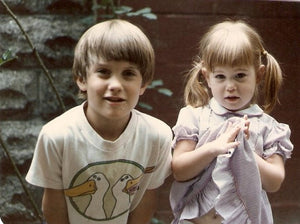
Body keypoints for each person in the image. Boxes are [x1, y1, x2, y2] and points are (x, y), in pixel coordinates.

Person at [26, 19, 173, 224]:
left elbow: (146, 198)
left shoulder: (157, 136)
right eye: (103, 72)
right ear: (82, 79)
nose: (115, 85)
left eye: (128, 74)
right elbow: (53, 204)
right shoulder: (56, 136)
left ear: (144, 84)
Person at [169, 20, 293, 224]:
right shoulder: (194, 117)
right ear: (207, 77)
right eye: (220, 76)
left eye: (240, 76)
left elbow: (274, 182)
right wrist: (214, 148)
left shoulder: (269, 127)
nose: (230, 86)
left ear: (259, 74)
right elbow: (179, 170)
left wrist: (245, 151)